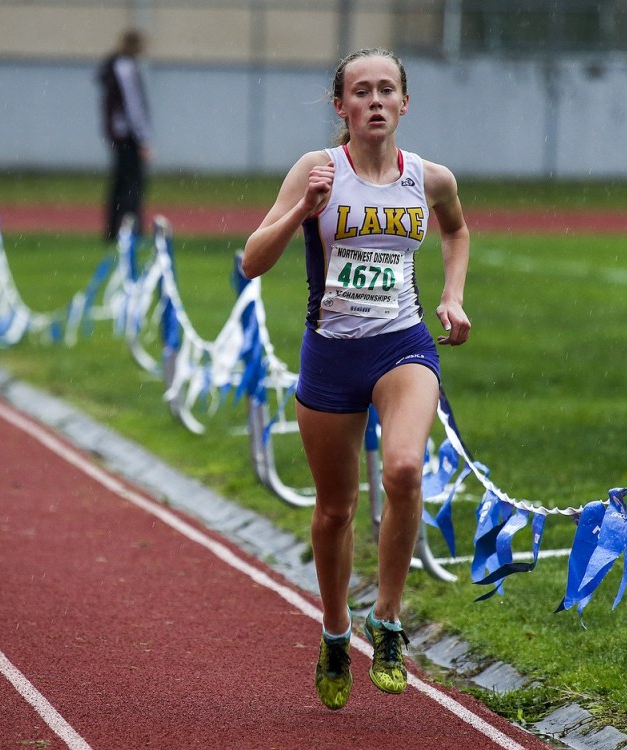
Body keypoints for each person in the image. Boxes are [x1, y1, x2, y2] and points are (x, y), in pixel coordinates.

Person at [241, 48, 471, 710]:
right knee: (335, 509)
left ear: (404, 103)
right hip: (332, 352)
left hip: (403, 346)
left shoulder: (428, 178)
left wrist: (452, 297)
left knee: (403, 471)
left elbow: (455, 232)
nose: (375, 100)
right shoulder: (317, 171)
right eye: (361, 91)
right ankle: (337, 630)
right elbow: (253, 261)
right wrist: (300, 211)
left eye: (386, 90)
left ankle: (389, 621)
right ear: (340, 106)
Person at [97, 29, 152, 242]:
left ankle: (113, 230)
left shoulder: (113, 66)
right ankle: (131, 230)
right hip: (128, 136)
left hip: (118, 135)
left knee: (119, 184)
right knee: (132, 185)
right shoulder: (126, 68)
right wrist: (143, 139)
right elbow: (133, 106)